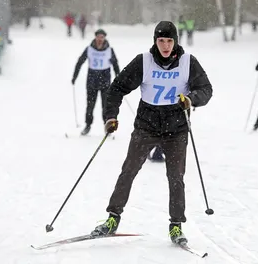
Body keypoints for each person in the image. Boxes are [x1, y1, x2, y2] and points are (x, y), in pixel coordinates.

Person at [90, 21, 212, 245]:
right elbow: (116, 88)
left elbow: (206, 89)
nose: (165, 46)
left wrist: (191, 99)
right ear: (155, 41)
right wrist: (111, 116)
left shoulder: (188, 62)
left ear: (175, 41)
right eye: (161, 41)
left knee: (176, 178)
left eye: (169, 41)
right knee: (128, 171)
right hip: (146, 126)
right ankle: (112, 219)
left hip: (176, 129)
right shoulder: (144, 62)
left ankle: (176, 226)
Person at [71, 29, 120, 135]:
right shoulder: (89, 49)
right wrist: (74, 77)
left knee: (106, 106)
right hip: (92, 81)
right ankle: (88, 125)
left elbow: (115, 64)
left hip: (105, 81)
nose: (100, 39)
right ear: (95, 37)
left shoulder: (109, 50)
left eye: (102, 37)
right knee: (90, 105)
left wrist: (119, 79)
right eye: (98, 37)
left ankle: (107, 127)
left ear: (104, 38)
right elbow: (80, 62)